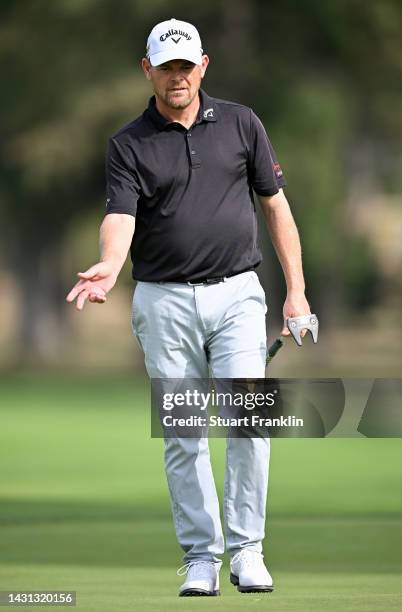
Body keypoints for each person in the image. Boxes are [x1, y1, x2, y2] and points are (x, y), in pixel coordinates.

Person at [66, 18, 311, 597]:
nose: (177, 77)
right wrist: (109, 264)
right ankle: (201, 557)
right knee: (184, 431)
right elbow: (121, 215)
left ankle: (248, 551)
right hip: (163, 299)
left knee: (250, 424)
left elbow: (275, 206)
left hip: (238, 294)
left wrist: (296, 290)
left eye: (186, 66)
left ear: (203, 66)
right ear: (147, 69)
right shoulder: (128, 142)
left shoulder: (242, 122)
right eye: (166, 67)